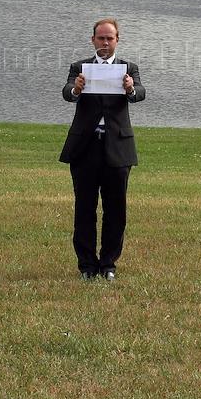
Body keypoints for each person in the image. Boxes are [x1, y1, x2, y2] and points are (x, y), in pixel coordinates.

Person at [59, 18, 145, 282]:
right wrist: (76, 88)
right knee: (84, 208)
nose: (105, 43)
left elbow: (141, 92)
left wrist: (131, 89)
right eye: (101, 38)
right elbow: (66, 92)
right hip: (86, 149)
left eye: (110, 38)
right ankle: (86, 265)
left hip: (117, 148)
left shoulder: (128, 68)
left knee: (115, 209)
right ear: (93, 40)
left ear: (117, 39)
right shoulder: (80, 67)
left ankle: (108, 264)